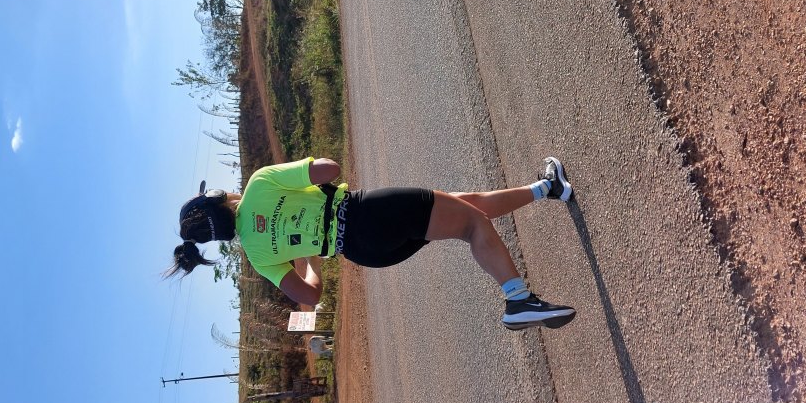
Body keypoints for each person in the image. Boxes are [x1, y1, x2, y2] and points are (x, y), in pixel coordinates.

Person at [167, 156, 577, 330]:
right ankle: (518, 299)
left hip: (364, 251)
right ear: (215, 198)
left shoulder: (256, 256)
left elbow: (310, 294)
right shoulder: (259, 183)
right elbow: (331, 168)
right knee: (471, 223)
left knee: (463, 207)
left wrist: (310, 254)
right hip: (364, 212)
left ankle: (547, 187)